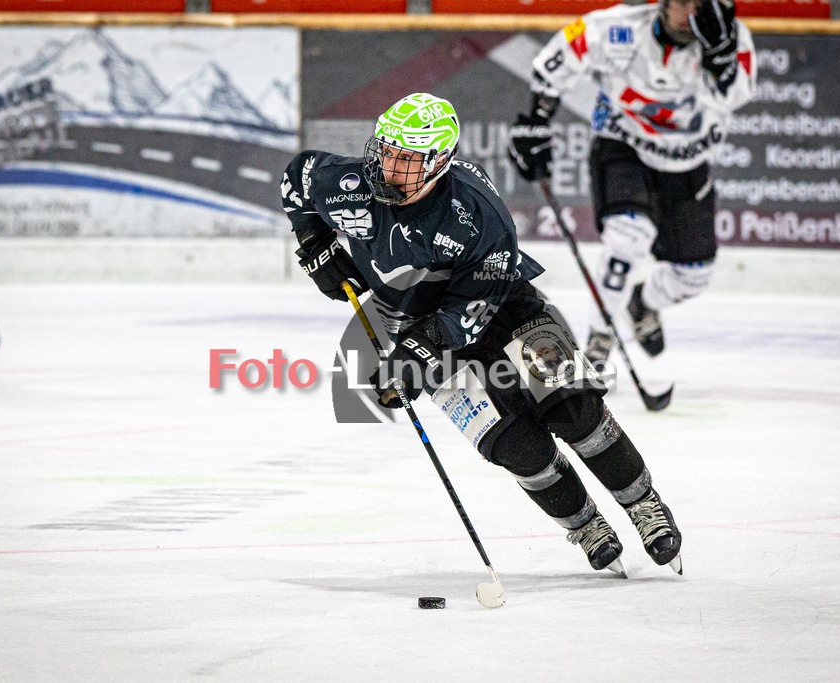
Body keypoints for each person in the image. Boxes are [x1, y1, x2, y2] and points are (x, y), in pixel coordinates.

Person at [282, 92, 682, 575]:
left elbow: (470, 310)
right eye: (385, 151)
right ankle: (585, 524)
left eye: (405, 160)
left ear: (437, 164)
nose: (388, 168)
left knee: (573, 406)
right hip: (414, 320)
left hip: (504, 303)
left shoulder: (477, 212)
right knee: (517, 447)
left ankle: (642, 504)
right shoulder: (350, 185)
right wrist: (315, 243)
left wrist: (416, 354)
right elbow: (297, 178)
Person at [508, 0, 756, 362]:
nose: (691, 17)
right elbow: (559, 56)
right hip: (624, 148)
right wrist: (537, 118)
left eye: (702, 6)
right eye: (684, 4)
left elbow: (738, 95)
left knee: (694, 276)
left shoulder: (736, 42)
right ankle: (599, 338)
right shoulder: (617, 28)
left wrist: (721, 56)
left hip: (688, 163)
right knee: (628, 237)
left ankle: (641, 303)